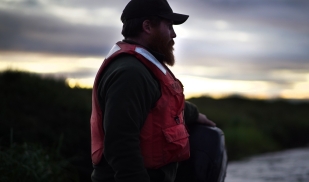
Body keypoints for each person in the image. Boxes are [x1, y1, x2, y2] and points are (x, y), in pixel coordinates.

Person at [89, 0, 216, 181]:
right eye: (169, 26)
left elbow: (160, 105)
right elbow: (121, 145)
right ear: (147, 26)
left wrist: (194, 115)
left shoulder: (142, 66)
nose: (174, 34)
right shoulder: (130, 73)